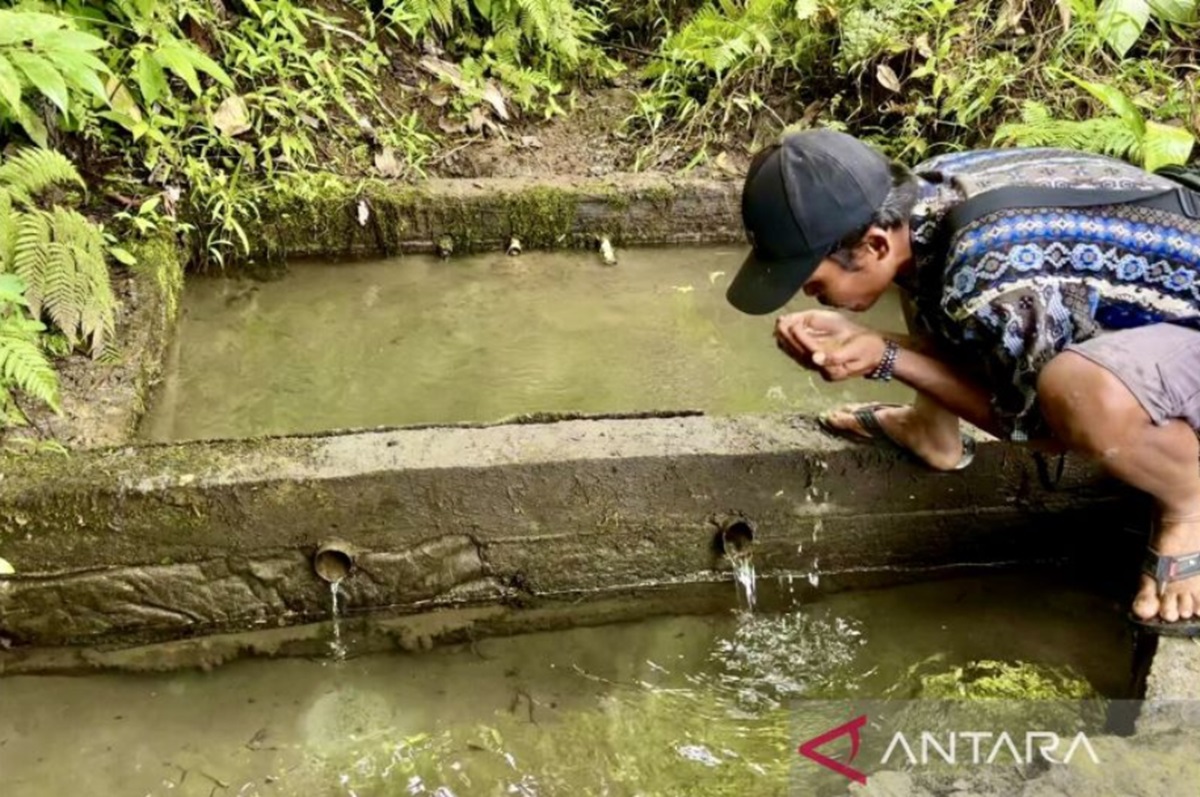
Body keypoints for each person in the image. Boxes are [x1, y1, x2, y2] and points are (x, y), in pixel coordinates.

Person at [726, 128, 1200, 635]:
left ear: (873, 244)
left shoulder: (988, 268)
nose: (809, 294)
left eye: (814, 282)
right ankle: (933, 429)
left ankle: (1186, 505)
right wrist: (873, 343)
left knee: (1079, 392)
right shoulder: (933, 196)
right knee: (933, 280)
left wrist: (887, 356)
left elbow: (1045, 432)